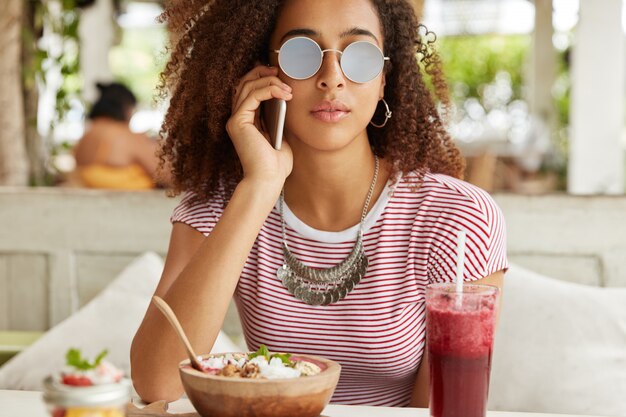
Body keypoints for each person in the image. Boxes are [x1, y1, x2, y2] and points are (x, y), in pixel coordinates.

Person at [131, 0, 508, 407]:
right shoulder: (221, 206)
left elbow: (445, 408)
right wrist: (260, 186)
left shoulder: (456, 219)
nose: (332, 78)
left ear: (384, 78)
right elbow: (157, 383)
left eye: (359, 55)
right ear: (263, 73)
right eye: (301, 53)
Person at [73, 82, 169, 189]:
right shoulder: (124, 136)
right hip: (133, 203)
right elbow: (167, 176)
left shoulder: (85, 138)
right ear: (126, 108)